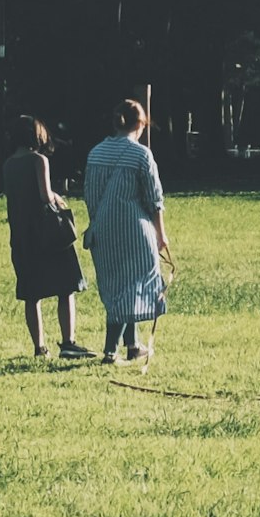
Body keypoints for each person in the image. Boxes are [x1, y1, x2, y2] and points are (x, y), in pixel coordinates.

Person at [81, 97, 173, 363]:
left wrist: (97, 221)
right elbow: (155, 199)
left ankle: (133, 344)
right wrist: (161, 233)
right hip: (135, 230)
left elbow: (89, 192)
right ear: (141, 124)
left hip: (102, 228)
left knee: (118, 286)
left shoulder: (96, 152)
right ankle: (111, 351)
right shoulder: (141, 154)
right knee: (131, 287)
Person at [3, 117, 93, 359]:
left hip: (22, 236)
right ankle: (68, 342)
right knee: (66, 287)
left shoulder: (9, 164)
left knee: (31, 294)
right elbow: (44, 196)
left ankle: (39, 347)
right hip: (46, 234)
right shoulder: (39, 160)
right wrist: (56, 196)